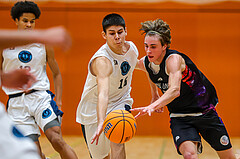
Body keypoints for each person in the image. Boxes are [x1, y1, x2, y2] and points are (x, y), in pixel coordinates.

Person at [131, 19, 237, 159]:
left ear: (165, 46)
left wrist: (152, 106)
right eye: (146, 46)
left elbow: (175, 90)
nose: (148, 50)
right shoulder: (146, 62)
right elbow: (148, 70)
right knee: (189, 155)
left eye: (153, 46)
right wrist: (154, 94)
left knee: (228, 158)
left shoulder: (174, 60)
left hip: (204, 111)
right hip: (180, 116)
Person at [0, 1, 78, 159]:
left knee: (57, 139)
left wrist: (60, 100)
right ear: (16, 21)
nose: (29, 25)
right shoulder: (4, 47)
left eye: (32, 21)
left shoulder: (43, 44)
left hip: (40, 97)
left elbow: (56, 73)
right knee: (32, 153)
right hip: (16, 103)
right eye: (25, 21)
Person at [76, 13, 139, 159]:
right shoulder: (102, 61)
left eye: (120, 32)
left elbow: (139, 64)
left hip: (120, 101)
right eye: (112, 33)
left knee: (118, 140)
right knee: (101, 156)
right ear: (104, 35)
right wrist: (100, 122)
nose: (117, 36)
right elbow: (103, 93)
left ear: (126, 31)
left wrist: (154, 93)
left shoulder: (132, 49)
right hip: (93, 109)